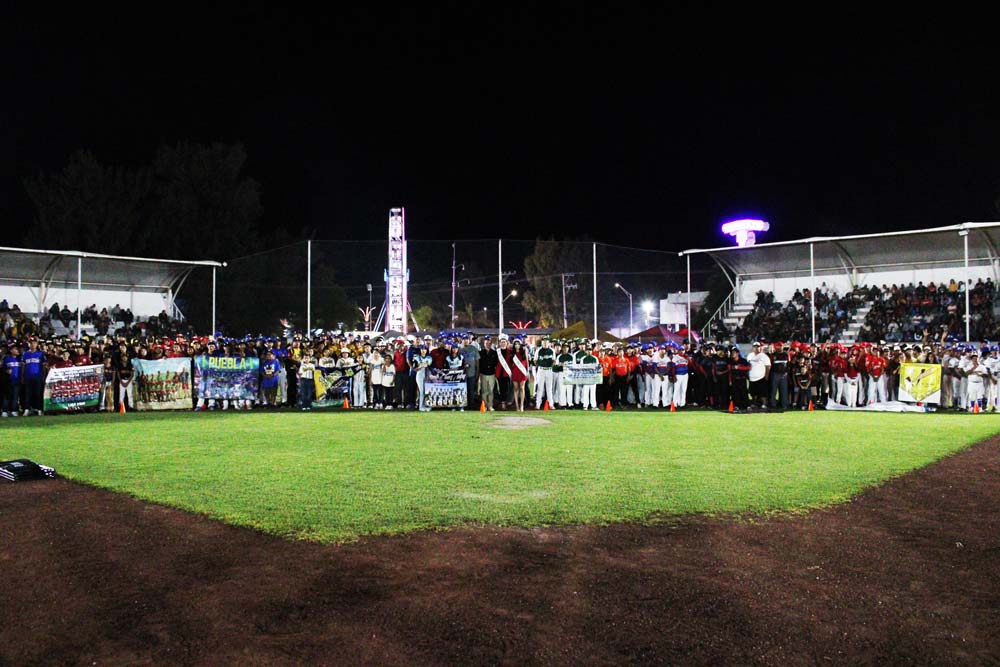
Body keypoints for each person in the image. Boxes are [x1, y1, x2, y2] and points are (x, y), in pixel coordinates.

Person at [20, 336, 46, 416]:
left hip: (38, 377)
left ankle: (39, 409)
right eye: (31, 343)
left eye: (34, 343)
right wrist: (22, 376)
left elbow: (43, 366)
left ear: (37, 344)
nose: (32, 345)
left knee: (38, 394)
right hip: (28, 377)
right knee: (28, 394)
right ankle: (27, 409)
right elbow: (23, 366)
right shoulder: (25, 354)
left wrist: (43, 376)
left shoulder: (40, 354)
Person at [746, 342, 771, 408]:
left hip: (761, 377)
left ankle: (764, 404)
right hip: (752, 378)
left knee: (763, 393)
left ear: (760, 348)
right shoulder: (750, 355)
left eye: (758, 347)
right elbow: (747, 365)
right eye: (755, 347)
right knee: (753, 393)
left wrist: (766, 376)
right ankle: (755, 404)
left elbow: (768, 366)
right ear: (753, 348)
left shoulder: (764, 356)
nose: (756, 348)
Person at [533, 338, 555, 409]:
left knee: (549, 388)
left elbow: (554, 361)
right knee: (540, 388)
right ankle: (538, 404)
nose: (545, 343)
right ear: (542, 343)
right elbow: (535, 360)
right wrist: (540, 365)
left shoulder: (552, 350)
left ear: (549, 343)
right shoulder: (538, 350)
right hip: (541, 370)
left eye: (546, 342)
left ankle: (551, 404)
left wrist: (550, 366)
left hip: (549, 370)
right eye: (544, 342)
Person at [508, 338, 530, 412]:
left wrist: (527, 371)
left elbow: (527, 362)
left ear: (520, 345)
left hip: (522, 372)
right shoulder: (512, 352)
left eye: (518, 344)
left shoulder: (524, 351)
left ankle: (522, 406)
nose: (517, 345)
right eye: (515, 344)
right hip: (515, 372)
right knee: (516, 388)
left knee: (522, 388)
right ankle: (517, 406)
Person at [478, 336, 498, 411]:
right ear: (484, 343)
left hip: (491, 374)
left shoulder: (494, 353)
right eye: (486, 343)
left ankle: (490, 405)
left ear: (491, 343)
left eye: (489, 343)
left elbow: (496, 364)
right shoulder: (481, 352)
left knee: (490, 391)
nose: (487, 344)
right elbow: (479, 364)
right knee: (484, 391)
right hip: (483, 374)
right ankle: (485, 405)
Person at [460, 333, 479, 410]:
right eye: (464, 339)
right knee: (463, 390)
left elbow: (477, 362)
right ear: (462, 340)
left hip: (472, 373)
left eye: (467, 339)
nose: (466, 341)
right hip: (462, 374)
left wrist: (477, 372)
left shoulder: (474, 349)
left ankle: (471, 406)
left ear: (469, 340)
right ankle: (463, 406)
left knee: (471, 390)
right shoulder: (459, 349)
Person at [2, 343, 22, 417]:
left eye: (17, 349)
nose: (17, 350)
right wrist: (6, 371)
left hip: (17, 381)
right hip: (8, 381)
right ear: (11, 350)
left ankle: (14, 410)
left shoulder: (20, 359)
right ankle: (5, 411)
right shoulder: (6, 359)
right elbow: (3, 369)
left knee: (15, 396)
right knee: (7, 396)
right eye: (15, 349)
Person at [412, 345, 433, 411]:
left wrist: (425, 365)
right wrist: (420, 367)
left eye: (424, 349)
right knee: (421, 391)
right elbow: (414, 368)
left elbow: (429, 365)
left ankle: (427, 405)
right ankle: (421, 406)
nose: (423, 351)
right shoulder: (416, 357)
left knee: (427, 390)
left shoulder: (429, 357)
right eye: (422, 349)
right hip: (420, 375)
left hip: (427, 374)